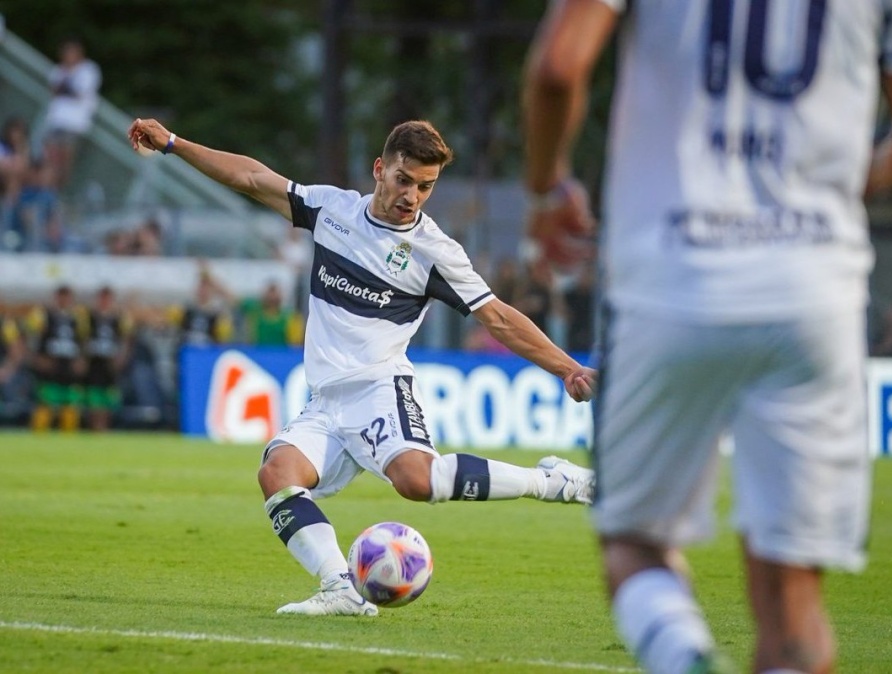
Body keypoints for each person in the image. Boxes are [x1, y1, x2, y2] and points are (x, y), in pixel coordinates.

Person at [522, 2, 892, 673]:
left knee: (633, 545)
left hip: (669, 279)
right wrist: (844, 187)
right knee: (793, 606)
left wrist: (547, 185)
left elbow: (556, 67)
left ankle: (683, 656)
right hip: (814, 290)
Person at [127, 116, 596, 617]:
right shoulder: (332, 210)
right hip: (325, 399)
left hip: (378, 387)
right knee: (277, 473)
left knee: (417, 483)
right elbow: (250, 178)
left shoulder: (434, 252)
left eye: (425, 186)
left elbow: (498, 318)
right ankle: (340, 588)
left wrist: (568, 368)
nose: (412, 196)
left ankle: (554, 482)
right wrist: (174, 143)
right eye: (404, 180)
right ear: (379, 169)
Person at [41, 37, 102, 189]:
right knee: (50, 158)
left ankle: (58, 191)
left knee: (65, 161)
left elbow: (78, 92)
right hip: (56, 120)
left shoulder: (89, 69)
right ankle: (48, 189)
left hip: (75, 124)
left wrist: (65, 85)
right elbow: (55, 90)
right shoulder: (58, 69)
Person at [26, 284, 88, 431]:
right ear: (56, 297)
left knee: (70, 404)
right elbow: (30, 336)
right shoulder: (42, 314)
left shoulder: (78, 317)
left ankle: (68, 440)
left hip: (69, 365)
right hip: (49, 364)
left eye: (67, 297)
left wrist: (82, 359)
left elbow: (84, 339)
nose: (64, 300)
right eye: (61, 296)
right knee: (45, 402)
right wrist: (36, 357)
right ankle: (39, 436)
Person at [83, 286, 134, 431]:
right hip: (94, 361)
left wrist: (121, 358)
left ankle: (104, 428)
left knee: (107, 399)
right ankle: (94, 428)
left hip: (110, 363)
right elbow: (83, 338)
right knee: (94, 398)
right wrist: (84, 357)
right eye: (102, 298)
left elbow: (126, 340)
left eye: (107, 299)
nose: (104, 302)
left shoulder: (119, 318)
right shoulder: (89, 317)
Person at [238, 281, 304, 347]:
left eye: (274, 293)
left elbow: (296, 345)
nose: (272, 297)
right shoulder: (255, 312)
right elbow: (236, 301)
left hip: (282, 354)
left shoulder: (290, 317)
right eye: (270, 293)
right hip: (258, 353)